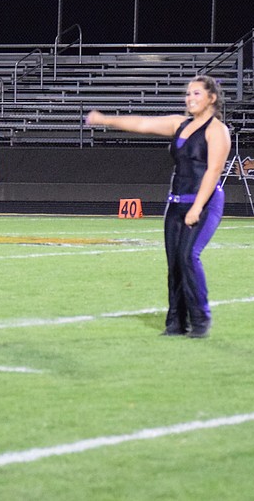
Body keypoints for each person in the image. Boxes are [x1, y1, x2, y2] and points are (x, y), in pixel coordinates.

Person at [86, 75, 230, 339]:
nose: (190, 98)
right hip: (176, 203)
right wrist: (105, 120)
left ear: (211, 98)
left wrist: (197, 208)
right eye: (188, 94)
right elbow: (143, 123)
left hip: (204, 203)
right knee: (174, 264)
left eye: (196, 94)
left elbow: (214, 171)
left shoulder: (216, 130)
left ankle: (201, 320)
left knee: (189, 257)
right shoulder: (179, 123)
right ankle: (175, 323)